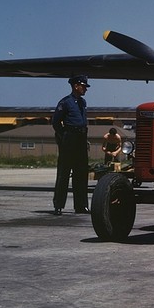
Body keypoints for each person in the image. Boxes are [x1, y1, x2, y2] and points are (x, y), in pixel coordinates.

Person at [51, 75, 91, 215]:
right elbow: (56, 122)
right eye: (83, 86)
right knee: (64, 172)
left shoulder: (82, 102)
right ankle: (58, 205)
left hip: (81, 138)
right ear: (76, 86)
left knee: (81, 173)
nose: (85, 89)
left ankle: (81, 206)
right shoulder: (65, 102)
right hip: (69, 138)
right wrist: (64, 137)